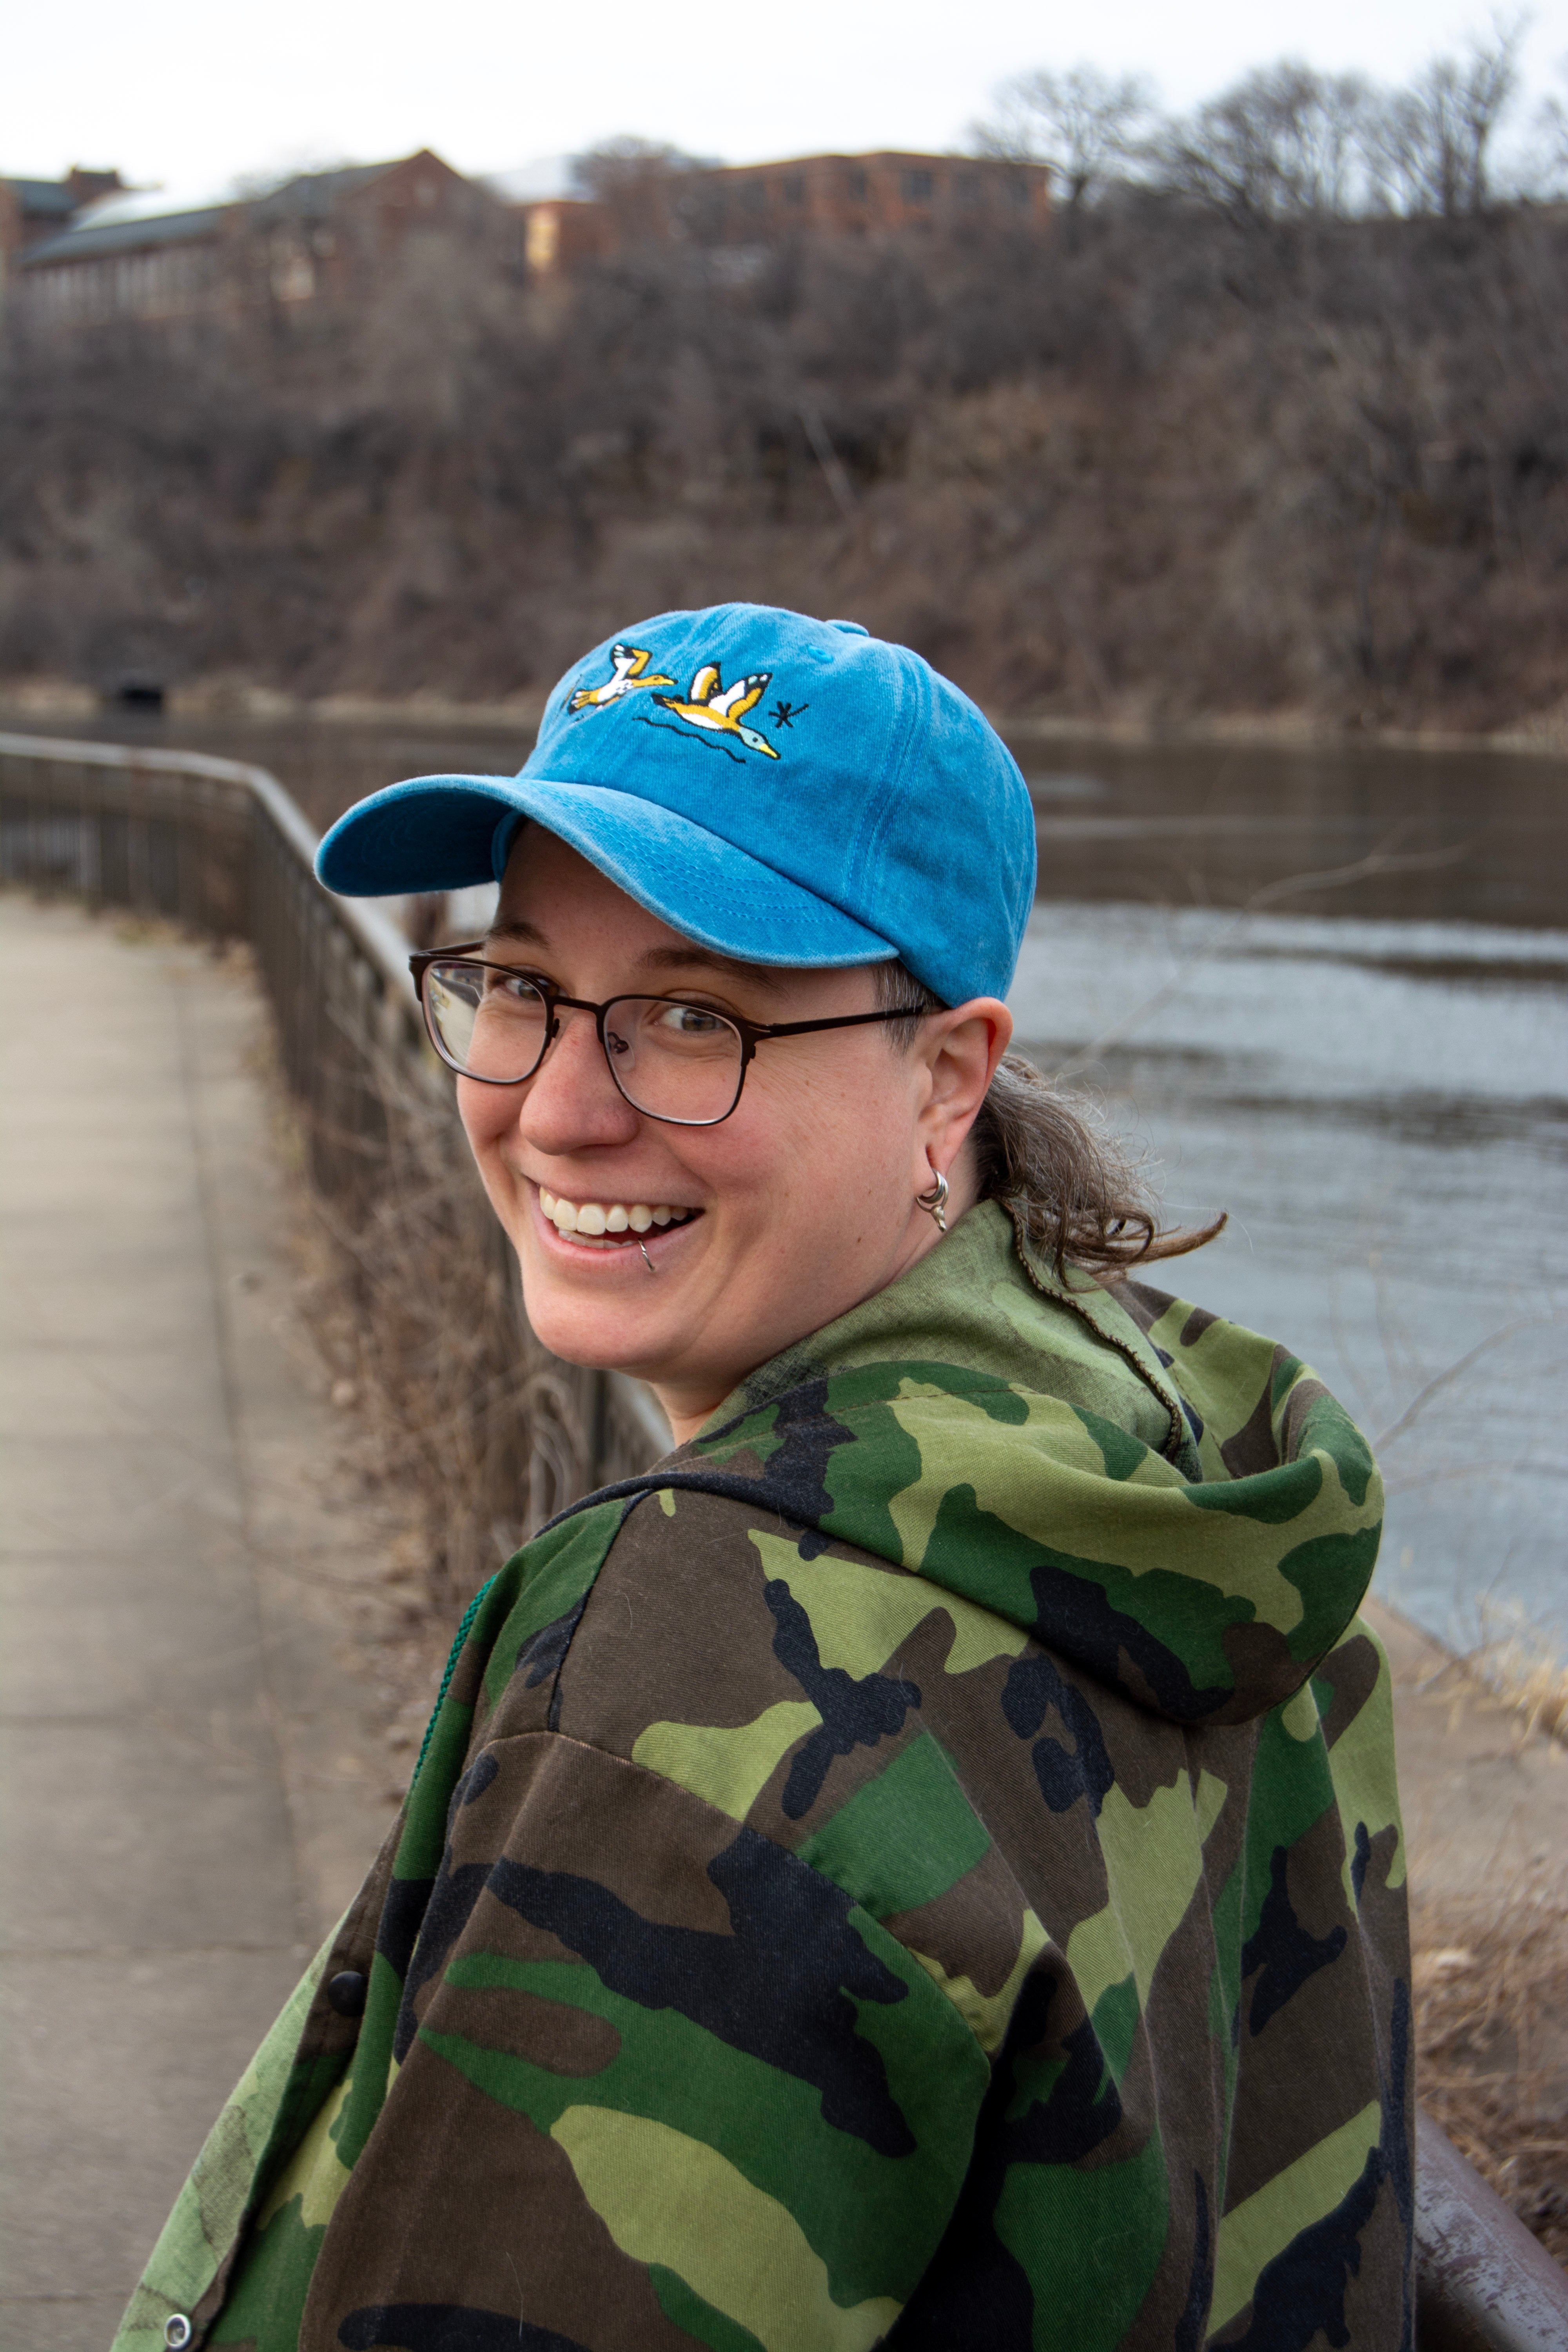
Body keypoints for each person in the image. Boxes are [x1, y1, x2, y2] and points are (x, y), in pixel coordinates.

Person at [116, 605, 1411, 2352]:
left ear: (947, 1076)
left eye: (685, 1016)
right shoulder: (1186, 1488)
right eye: (518, 987)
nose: (560, 1109)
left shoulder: (704, 1686)